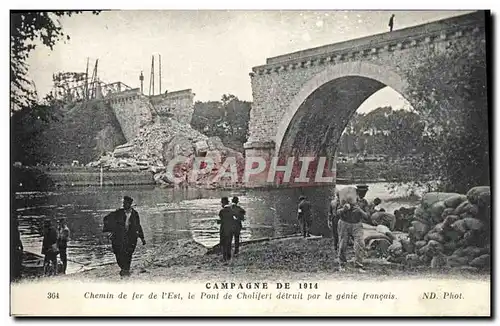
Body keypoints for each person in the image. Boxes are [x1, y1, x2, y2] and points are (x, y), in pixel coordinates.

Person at [103, 196, 146, 277]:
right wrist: (110, 230)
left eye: (125, 203)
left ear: (129, 204)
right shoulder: (118, 212)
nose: (123, 205)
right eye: (123, 203)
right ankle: (123, 268)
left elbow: (138, 226)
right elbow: (107, 218)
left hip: (131, 237)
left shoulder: (135, 214)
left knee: (128, 253)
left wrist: (142, 238)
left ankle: (126, 270)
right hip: (119, 237)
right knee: (118, 253)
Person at [336, 196, 369, 272]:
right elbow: (336, 213)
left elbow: (367, 216)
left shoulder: (364, 202)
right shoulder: (345, 199)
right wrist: (344, 209)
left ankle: (358, 265)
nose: (362, 193)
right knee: (342, 244)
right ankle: (342, 264)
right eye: (360, 191)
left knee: (360, 244)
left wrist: (360, 210)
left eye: (364, 191)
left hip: (357, 224)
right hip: (344, 223)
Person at [217, 197, 236, 263]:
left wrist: (218, 222)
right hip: (230, 229)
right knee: (229, 243)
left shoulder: (221, 211)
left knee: (223, 243)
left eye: (221, 203)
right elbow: (233, 219)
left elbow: (222, 220)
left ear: (223, 203)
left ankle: (224, 257)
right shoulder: (231, 210)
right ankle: (229, 257)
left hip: (224, 229)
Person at [11, 216, 23, 281]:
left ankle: (17, 272)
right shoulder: (14, 231)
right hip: (14, 247)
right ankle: (17, 272)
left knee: (16, 260)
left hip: (15, 247)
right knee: (16, 260)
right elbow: (17, 239)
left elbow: (18, 239)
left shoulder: (15, 230)